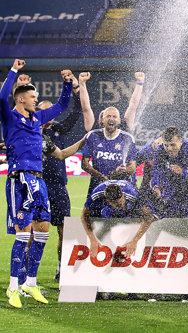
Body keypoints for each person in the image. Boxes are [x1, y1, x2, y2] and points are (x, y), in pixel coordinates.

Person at [1, 59, 73, 307]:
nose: (36, 100)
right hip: (19, 180)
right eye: (33, 97)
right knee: (23, 235)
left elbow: (62, 105)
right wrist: (13, 72)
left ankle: (30, 283)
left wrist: (67, 84)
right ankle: (13, 287)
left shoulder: (38, 118)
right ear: (21, 99)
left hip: (39, 182)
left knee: (42, 233)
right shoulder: (10, 118)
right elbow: (1, 98)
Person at [38, 71, 94, 281]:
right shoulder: (33, 131)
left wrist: (76, 87)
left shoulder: (58, 129)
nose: (49, 115)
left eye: (50, 111)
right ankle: (26, 274)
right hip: (38, 185)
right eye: (44, 111)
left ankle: (62, 269)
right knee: (34, 229)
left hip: (58, 186)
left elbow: (78, 110)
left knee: (64, 230)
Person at [81, 181, 154, 259]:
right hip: (108, 210)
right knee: (102, 216)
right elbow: (84, 215)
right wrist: (92, 239)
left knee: (137, 215)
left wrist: (134, 241)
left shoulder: (132, 195)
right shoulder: (96, 196)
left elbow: (149, 218)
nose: (121, 205)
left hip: (130, 205)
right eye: (117, 204)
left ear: (123, 196)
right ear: (108, 201)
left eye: (122, 201)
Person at [81, 106, 138, 198]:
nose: (111, 119)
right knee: (89, 207)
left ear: (119, 120)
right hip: (98, 186)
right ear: (102, 120)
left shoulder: (127, 138)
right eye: (108, 116)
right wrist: (101, 176)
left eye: (114, 116)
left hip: (121, 189)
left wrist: (124, 170)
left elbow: (132, 168)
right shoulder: (93, 136)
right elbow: (84, 164)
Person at [149, 126, 188, 218]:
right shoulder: (160, 150)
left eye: (173, 145)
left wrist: (183, 172)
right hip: (169, 197)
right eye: (166, 145)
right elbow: (156, 173)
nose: (169, 148)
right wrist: (156, 186)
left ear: (180, 141)